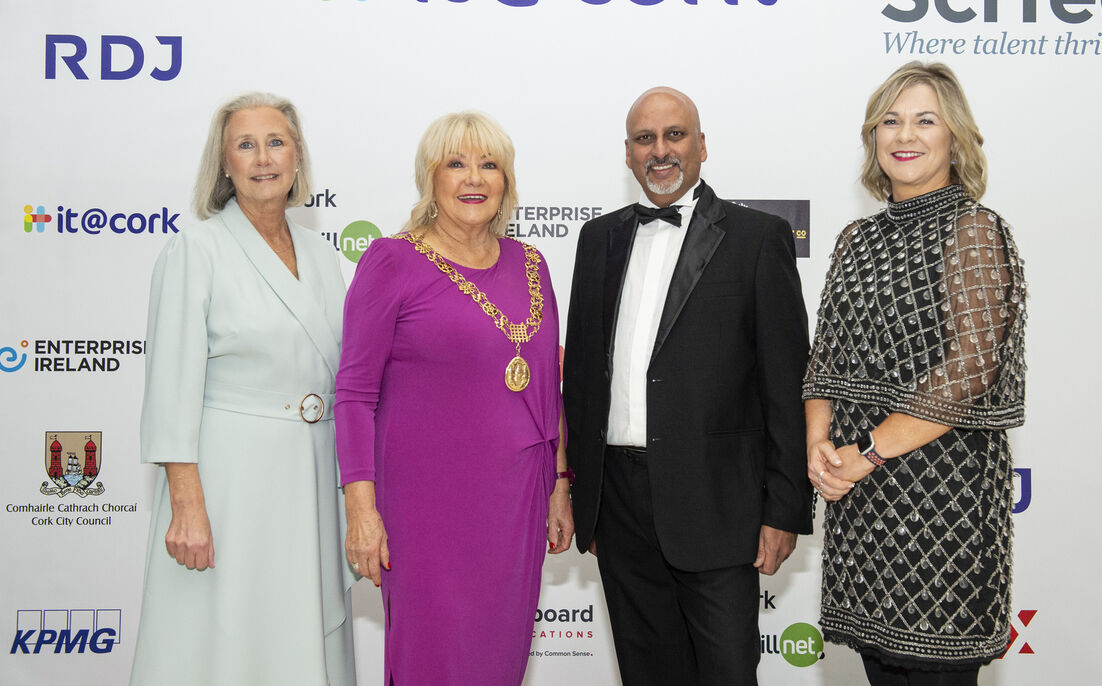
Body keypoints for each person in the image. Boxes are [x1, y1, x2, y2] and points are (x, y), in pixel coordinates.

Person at [563, 87, 812, 686]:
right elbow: (580, 381)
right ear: (627, 155)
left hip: (719, 505)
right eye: (644, 139)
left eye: (674, 135)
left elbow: (786, 385)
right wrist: (583, 496)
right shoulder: (597, 240)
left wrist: (783, 508)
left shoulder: (758, 237)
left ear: (701, 145)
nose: (660, 151)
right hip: (618, 505)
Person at [804, 61, 1028, 686]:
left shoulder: (975, 231)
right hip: (860, 503)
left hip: (943, 507)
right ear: (874, 138)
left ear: (954, 137)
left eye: (925, 120)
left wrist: (864, 453)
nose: (906, 135)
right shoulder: (856, 239)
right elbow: (825, 360)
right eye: (891, 121)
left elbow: (969, 370)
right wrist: (819, 448)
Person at [335, 111, 574, 686]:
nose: (475, 178)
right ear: (430, 179)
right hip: (424, 512)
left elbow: (549, 390)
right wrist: (361, 512)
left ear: (507, 182)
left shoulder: (533, 267)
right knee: (433, 661)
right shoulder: (392, 261)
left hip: (517, 504)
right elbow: (353, 395)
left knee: (499, 663)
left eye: (490, 164)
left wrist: (560, 484)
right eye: (457, 163)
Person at [130, 93, 355, 686]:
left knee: (298, 630)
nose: (263, 159)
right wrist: (187, 504)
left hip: (311, 476)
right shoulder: (194, 249)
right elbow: (171, 385)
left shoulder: (323, 256)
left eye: (276, 142)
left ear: (298, 156)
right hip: (228, 482)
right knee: (222, 638)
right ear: (223, 163)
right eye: (245, 145)